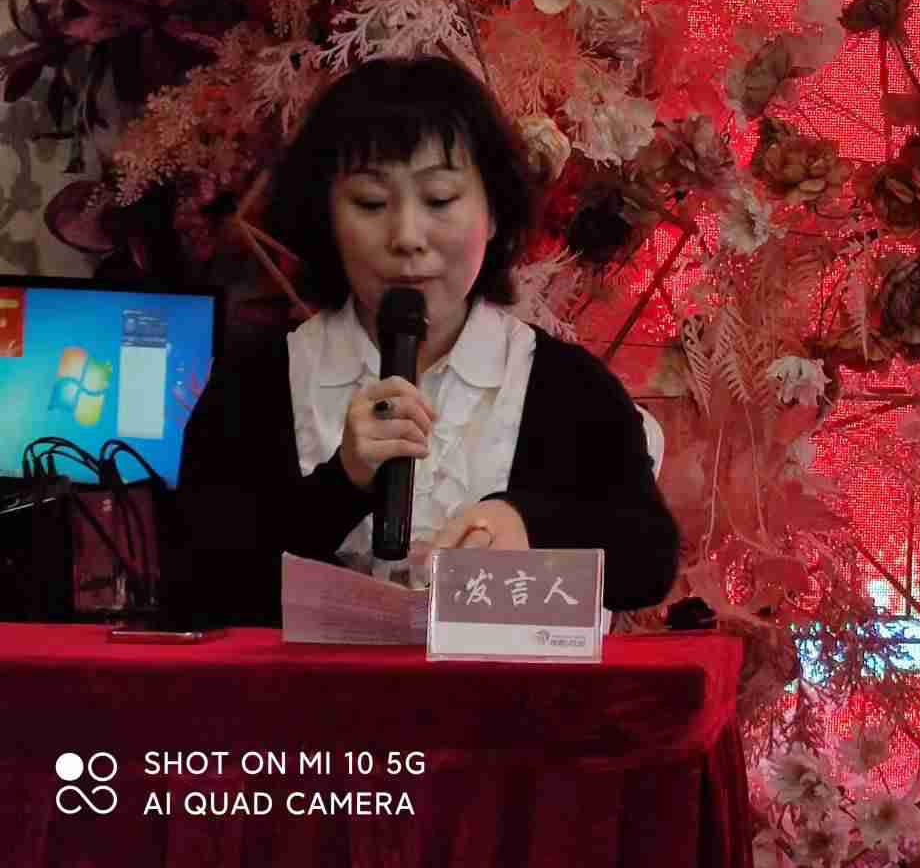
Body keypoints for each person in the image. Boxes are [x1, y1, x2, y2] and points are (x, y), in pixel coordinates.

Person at [171, 54, 679, 627]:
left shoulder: (567, 385)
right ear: (326, 217)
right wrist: (342, 484)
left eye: (439, 199)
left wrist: (525, 524)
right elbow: (196, 584)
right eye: (371, 203)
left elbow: (648, 562)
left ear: (493, 213)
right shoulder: (256, 381)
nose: (407, 237)